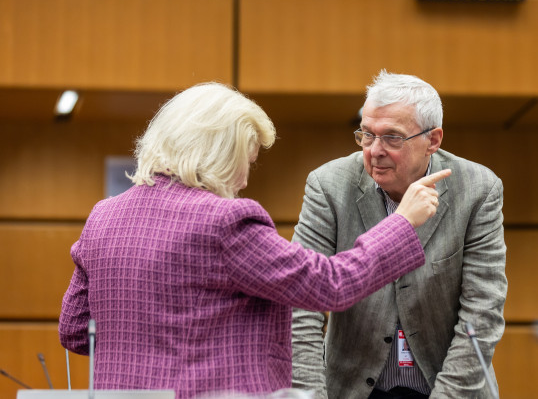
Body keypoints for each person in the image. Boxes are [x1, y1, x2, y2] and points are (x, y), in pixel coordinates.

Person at [58, 82, 451, 399]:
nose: (245, 180)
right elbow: (331, 283)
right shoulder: (224, 220)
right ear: (217, 153)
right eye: (244, 161)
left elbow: (75, 330)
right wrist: (402, 222)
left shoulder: (103, 216)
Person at [291, 70, 508, 398]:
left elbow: (482, 311)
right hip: (353, 389)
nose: (375, 150)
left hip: (447, 386)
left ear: (432, 140)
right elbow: (301, 304)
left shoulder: (478, 189)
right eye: (366, 134)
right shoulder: (328, 186)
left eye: (392, 137)